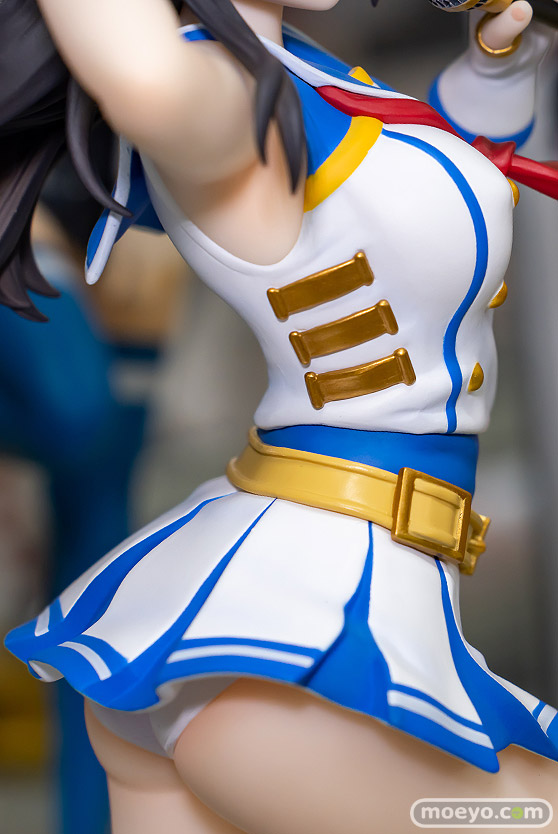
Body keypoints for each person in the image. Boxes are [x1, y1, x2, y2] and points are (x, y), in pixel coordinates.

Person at [3, 1, 558, 832]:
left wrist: (493, 69)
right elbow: (146, 80)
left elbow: (400, 210)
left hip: (300, 601)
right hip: (309, 637)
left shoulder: (298, 69)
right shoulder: (226, 96)